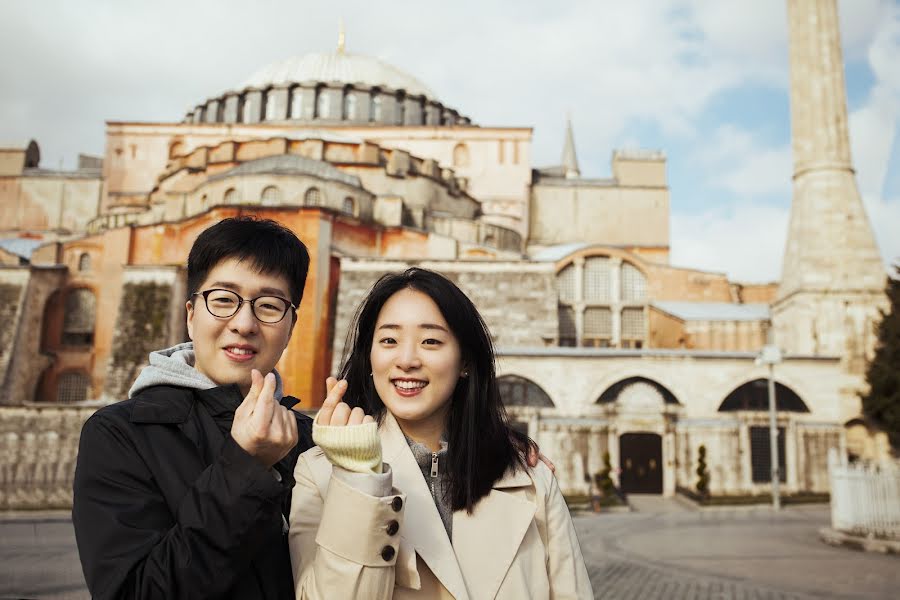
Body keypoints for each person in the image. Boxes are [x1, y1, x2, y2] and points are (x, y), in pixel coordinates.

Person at [289, 267, 593, 599]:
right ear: (369, 356)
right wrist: (360, 480)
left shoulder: (529, 477)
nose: (406, 360)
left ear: (465, 361)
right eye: (389, 340)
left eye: (431, 341)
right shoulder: (318, 473)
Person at [72, 217, 315, 599]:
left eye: (269, 306)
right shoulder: (120, 434)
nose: (244, 323)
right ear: (190, 314)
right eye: (223, 300)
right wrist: (245, 466)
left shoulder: (310, 439)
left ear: (290, 325)